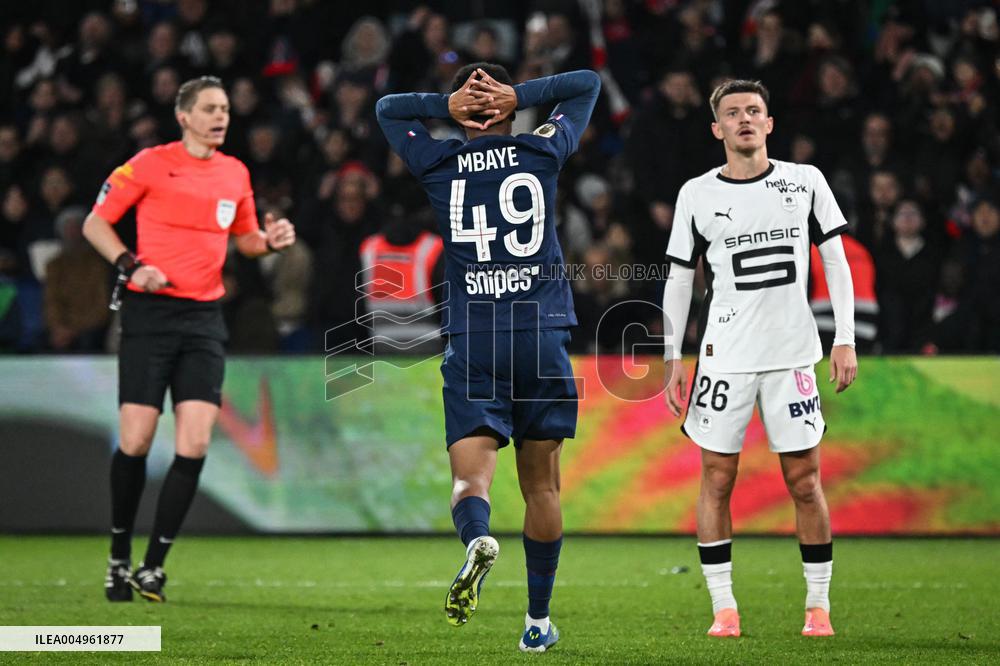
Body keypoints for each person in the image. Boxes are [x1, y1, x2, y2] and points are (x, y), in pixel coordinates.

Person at [376, 63, 600, 652]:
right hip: (541, 332)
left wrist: (442, 104)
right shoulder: (542, 151)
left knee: (469, 478)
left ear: (461, 111)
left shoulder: (437, 161)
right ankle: (536, 622)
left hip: (475, 333)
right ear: (505, 110)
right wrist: (520, 97)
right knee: (542, 490)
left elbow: (387, 108)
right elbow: (587, 84)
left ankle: (476, 540)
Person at [82, 75, 296, 603]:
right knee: (135, 439)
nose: (221, 116)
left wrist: (268, 243)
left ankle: (153, 566)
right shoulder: (150, 164)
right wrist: (132, 267)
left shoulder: (235, 172)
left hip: (203, 318)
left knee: (195, 441)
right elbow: (95, 223)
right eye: (209, 109)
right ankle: (117, 557)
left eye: (225, 108)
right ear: (184, 116)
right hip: (150, 314)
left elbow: (245, 239)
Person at [662, 79, 857, 638]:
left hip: (792, 352)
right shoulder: (696, 194)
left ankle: (817, 607)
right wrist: (674, 354)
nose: (745, 119)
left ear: (769, 124)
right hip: (724, 358)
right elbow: (679, 278)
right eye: (732, 113)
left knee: (804, 480)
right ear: (716, 128)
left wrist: (843, 337)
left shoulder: (805, 182)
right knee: (717, 478)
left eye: (754, 111)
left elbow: (836, 263)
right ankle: (724, 609)